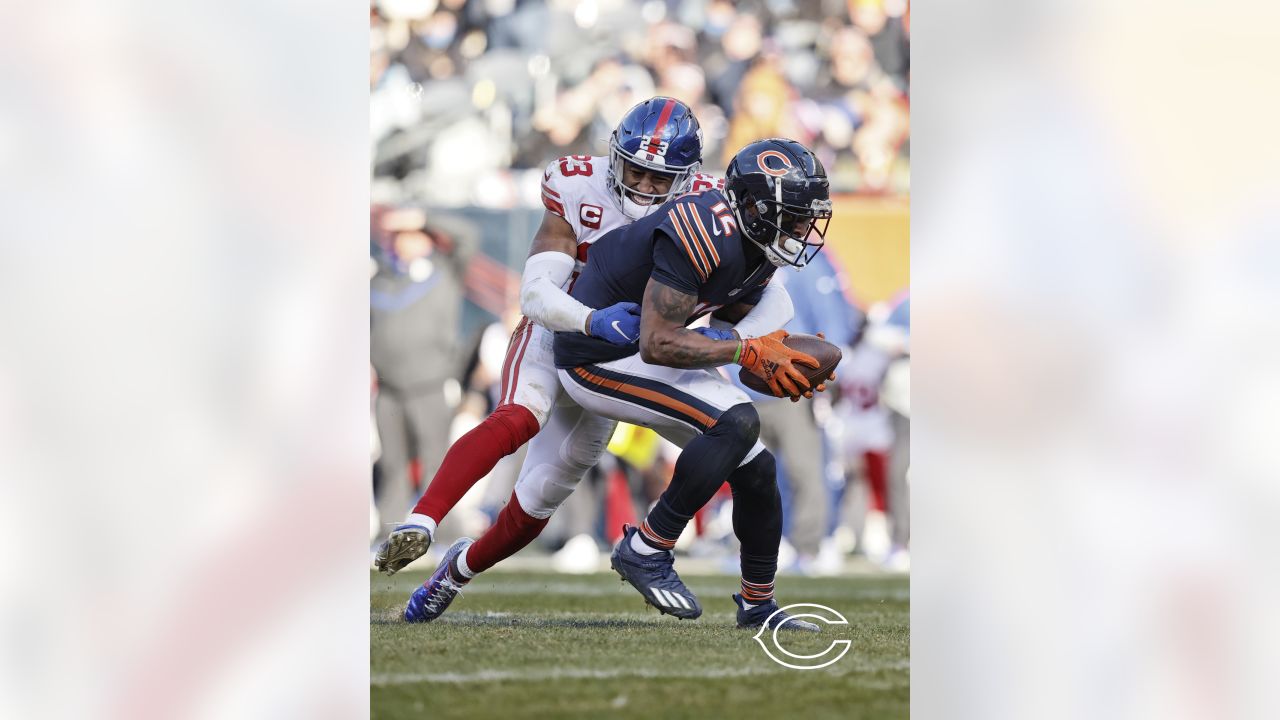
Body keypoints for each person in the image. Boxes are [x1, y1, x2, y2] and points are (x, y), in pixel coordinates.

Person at [407, 138, 837, 632]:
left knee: (756, 467)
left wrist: (748, 342)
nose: (805, 229)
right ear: (754, 208)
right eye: (795, 215)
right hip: (595, 351)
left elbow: (767, 304)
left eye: (809, 216)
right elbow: (657, 344)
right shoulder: (700, 227)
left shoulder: (751, 238)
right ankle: (646, 547)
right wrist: (746, 350)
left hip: (639, 347)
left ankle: (759, 607)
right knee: (735, 421)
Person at [374, 97, 718, 575]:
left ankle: (457, 574)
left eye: (658, 177)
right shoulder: (578, 183)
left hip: (622, 352)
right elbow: (536, 293)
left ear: (687, 176)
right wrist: (591, 320)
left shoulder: (707, 203)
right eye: (633, 169)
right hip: (560, 325)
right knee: (520, 415)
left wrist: (738, 342)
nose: (641, 184)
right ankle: (422, 519)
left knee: (549, 487)